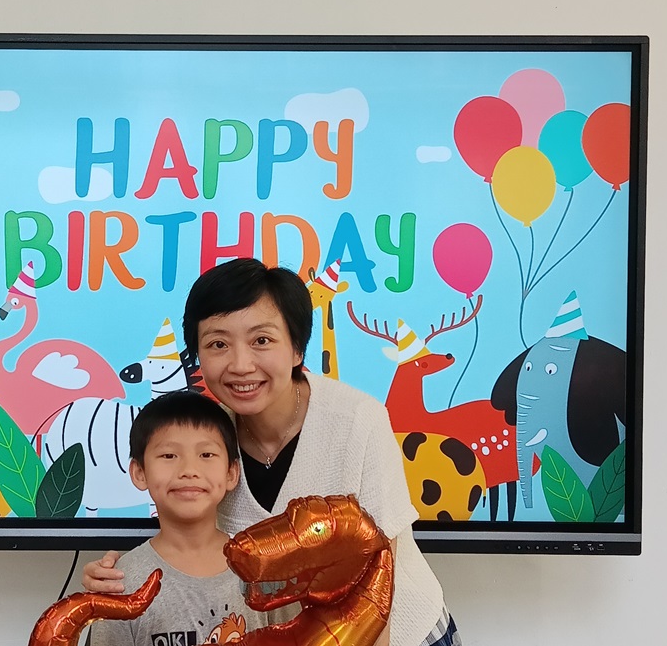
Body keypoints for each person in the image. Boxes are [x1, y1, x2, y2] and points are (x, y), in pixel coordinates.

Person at [84, 258, 460, 646]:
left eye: (261, 340)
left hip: (399, 632)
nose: (240, 365)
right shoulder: (207, 439)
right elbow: (188, 538)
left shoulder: (358, 420)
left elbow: (381, 572)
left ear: (297, 348)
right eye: (218, 344)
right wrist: (119, 574)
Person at [88, 390, 267, 646]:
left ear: (231, 473)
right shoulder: (121, 582)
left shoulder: (261, 571)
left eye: (206, 455)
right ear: (139, 473)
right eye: (169, 456)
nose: (189, 470)